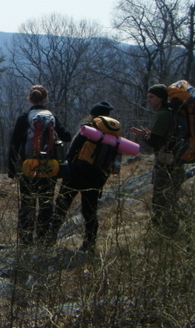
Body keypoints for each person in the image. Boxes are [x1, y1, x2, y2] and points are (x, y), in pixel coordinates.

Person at [47, 101, 118, 254]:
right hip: (95, 178)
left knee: (62, 206)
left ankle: (50, 240)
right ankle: (89, 244)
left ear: (93, 115)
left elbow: (72, 151)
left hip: (75, 174)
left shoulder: (87, 129)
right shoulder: (113, 135)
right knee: (90, 212)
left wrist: (64, 169)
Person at [8, 85, 72, 246]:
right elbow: (67, 137)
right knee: (46, 202)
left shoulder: (24, 118)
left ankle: (26, 240)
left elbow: (15, 144)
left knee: (27, 203)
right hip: (49, 167)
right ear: (45, 99)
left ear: (30, 99)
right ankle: (43, 239)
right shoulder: (51, 117)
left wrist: (12, 169)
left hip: (28, 166)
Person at [130, 83, 185, 232]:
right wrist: (149, 135)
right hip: (176, 163)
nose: (148, 100)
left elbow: (154, 143)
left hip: (166, 164)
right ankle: (172, 230)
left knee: (162, 201)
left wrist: (144, 137)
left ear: (161, 98)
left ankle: (164, 233)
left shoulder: (162, 114)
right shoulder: (171, 113)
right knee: (171, 199)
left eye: (151, 97)